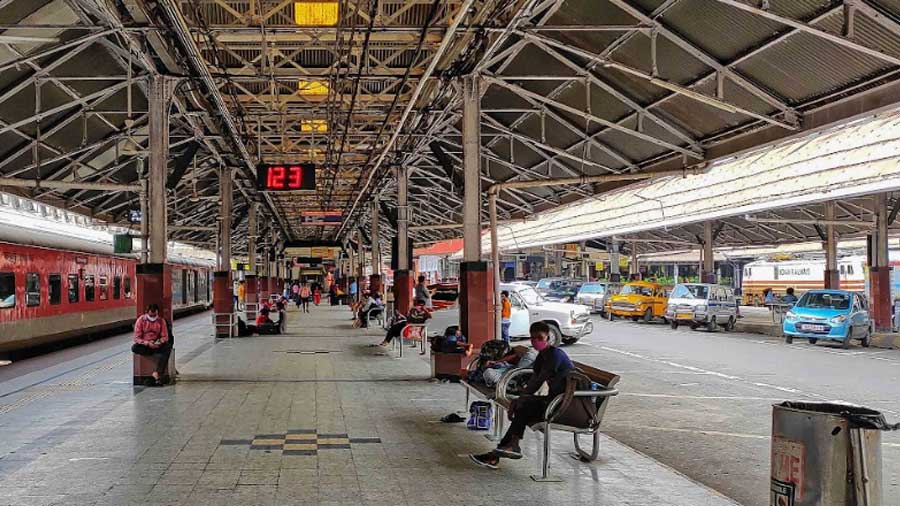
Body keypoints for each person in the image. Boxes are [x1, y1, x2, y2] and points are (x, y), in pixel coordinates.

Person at [469, 321, 574, 469]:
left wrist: (520, 400)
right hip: (554, 401)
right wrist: (519, 400)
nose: (535, 341)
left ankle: (506, 449)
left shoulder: (555, 355)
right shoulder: (541, 356)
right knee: (523, 406)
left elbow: (538, 380)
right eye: (532, 338)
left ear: (548, 338)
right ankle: (506, 448)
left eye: (539, 338)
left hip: (565, 404)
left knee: (524, 406)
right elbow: (533, 381)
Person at [131, 304, 171, 387]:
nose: (153, 317)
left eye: (155, 315)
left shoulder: (161, 321)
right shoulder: (141, 320)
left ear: (157, 313)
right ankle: (152, 354)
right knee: (134, 347)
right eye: (151, 315)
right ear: (147, 313)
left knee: (167, 347)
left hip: (157, 344)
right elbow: (136, 338)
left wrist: (159, 342)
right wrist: (147, 343)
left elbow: (165, 337)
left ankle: (157, 373)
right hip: (146, 345)